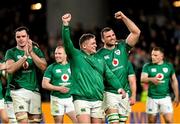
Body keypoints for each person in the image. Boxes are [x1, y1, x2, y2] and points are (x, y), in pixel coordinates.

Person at [61, 13, 125, 123]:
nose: (96, 45)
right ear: (84, 46)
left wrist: (119, 88)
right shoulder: (76, 56)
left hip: (98, 99)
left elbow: (110, 75)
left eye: (95, 43)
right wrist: (65, 25)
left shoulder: (100, 60)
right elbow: (67, 42)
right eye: (93, 43)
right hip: (81, 99)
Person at [97, 11, 140, 123]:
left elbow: (136, 32)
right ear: (103, 40)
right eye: (108, 36)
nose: (112, 38)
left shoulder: (122, 46)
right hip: (109, 92)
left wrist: (124, 18)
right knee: (114, 122)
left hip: (124, 93)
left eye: (113, 35)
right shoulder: (98, 55)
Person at [5, 26, 47, 123]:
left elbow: (43, 66)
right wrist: (25, 56)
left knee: (35, 121)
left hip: (34, 90)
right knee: (22, 121)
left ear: (28, 37)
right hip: (17, 91)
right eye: (18, 37)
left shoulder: (36, 50)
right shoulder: (11, 52)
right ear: (15, 38)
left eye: (23, 36)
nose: (21, 39)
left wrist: (31, 53)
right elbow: (10, 69)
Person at [141, 47, 179, 123]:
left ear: (162, 56)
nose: (152, 57)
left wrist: (177, 96)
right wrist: (152, 79)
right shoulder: (147, 66)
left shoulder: (169, 66)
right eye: (152, 55)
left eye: (155, 55)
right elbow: (142, 79)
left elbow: (174, 80)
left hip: (165, 98)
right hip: (152, 98)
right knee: (151, 122)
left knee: (169, 121)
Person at [42, 45, 77, 123]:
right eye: (55, 53)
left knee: (78, 121)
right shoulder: (51, 67)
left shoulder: (72, 66)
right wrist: (59, 88)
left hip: (70, 99)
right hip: (56, 100)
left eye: (59, 53)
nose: (57, 56)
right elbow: (44, 84)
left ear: (66, 55)